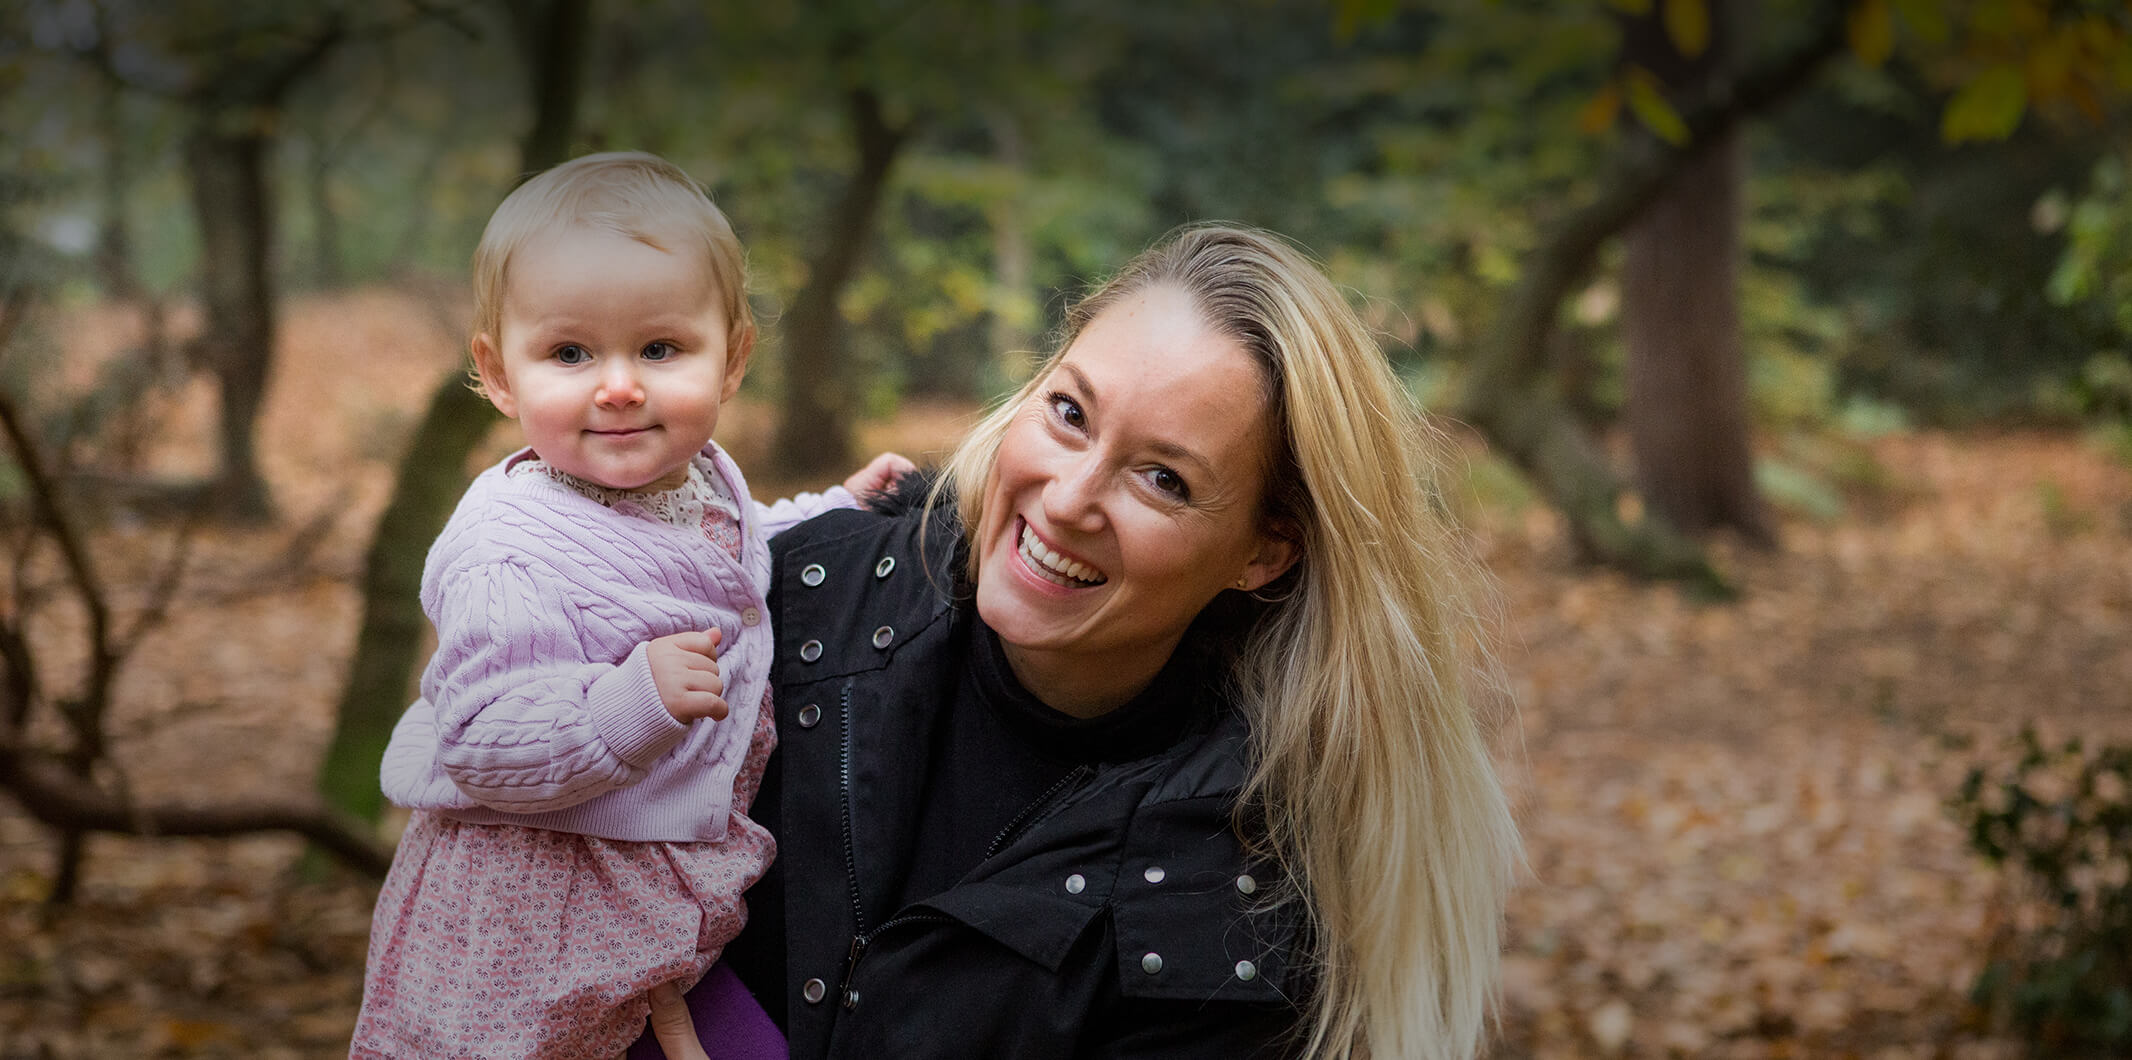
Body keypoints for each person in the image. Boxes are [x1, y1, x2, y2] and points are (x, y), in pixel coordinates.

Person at [652, 224, 1521, 1059]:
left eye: (1163, 479)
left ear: (1264, 551)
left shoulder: (1237, 904)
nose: (1068, 500)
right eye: (1070, 412)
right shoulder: (784, 607)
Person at [351, 151, 910, 1059]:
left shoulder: (687, 484)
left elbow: (725, 553)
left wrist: (834, 511)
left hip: (648, 894)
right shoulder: (506, 548)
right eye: (570, 353)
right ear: (498, 375)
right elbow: (483, 735)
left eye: (659, 348)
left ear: (731, 360)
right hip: (535, 905)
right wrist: (624, 704)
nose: (618, 384)